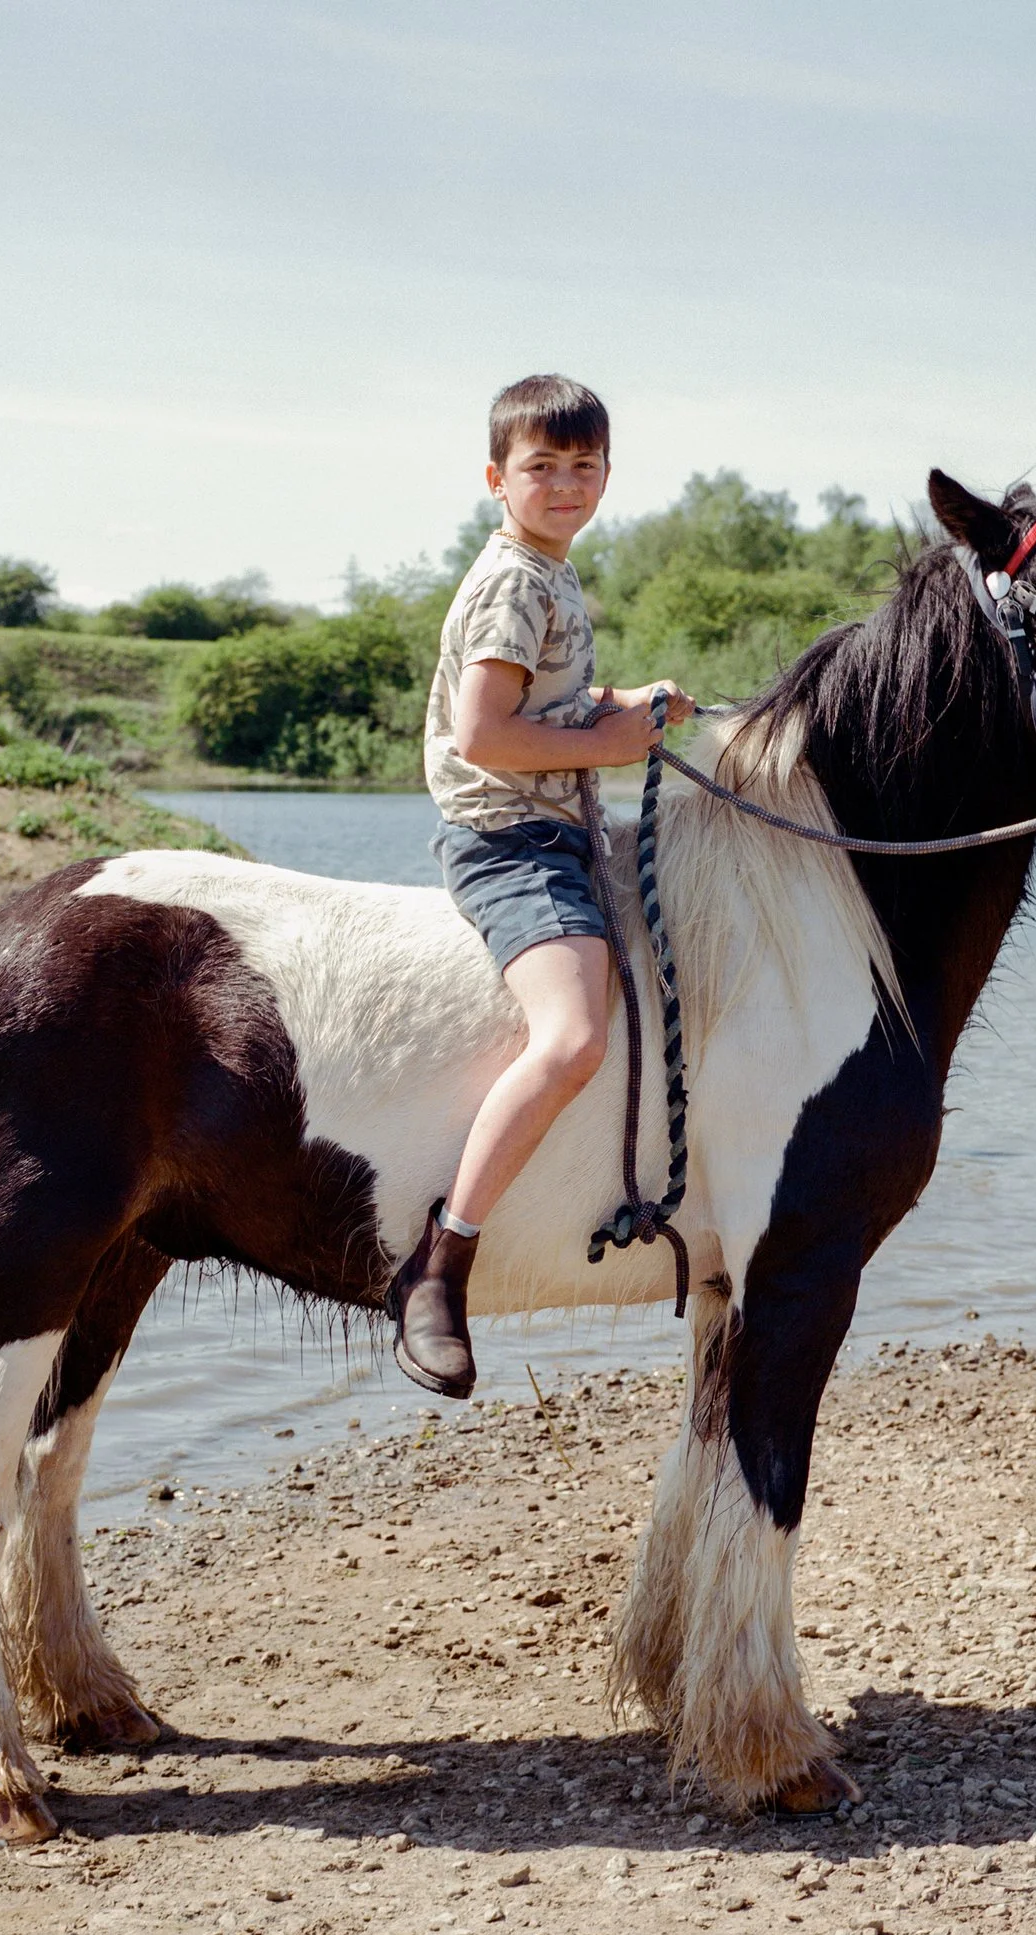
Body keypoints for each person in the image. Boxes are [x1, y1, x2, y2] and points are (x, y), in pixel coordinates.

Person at [390, 374, 692, 1399]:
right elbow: (483, 732)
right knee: (572, 1037)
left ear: (607, 472)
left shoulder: (548, 575)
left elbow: (541, 696)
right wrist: (612, 740)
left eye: (583, 465)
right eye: (541, 467)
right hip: (512, 840)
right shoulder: (516, 581)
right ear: (496, 478)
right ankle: (444, 1257)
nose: (565, 484)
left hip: (553, 827)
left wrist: (622, 698)